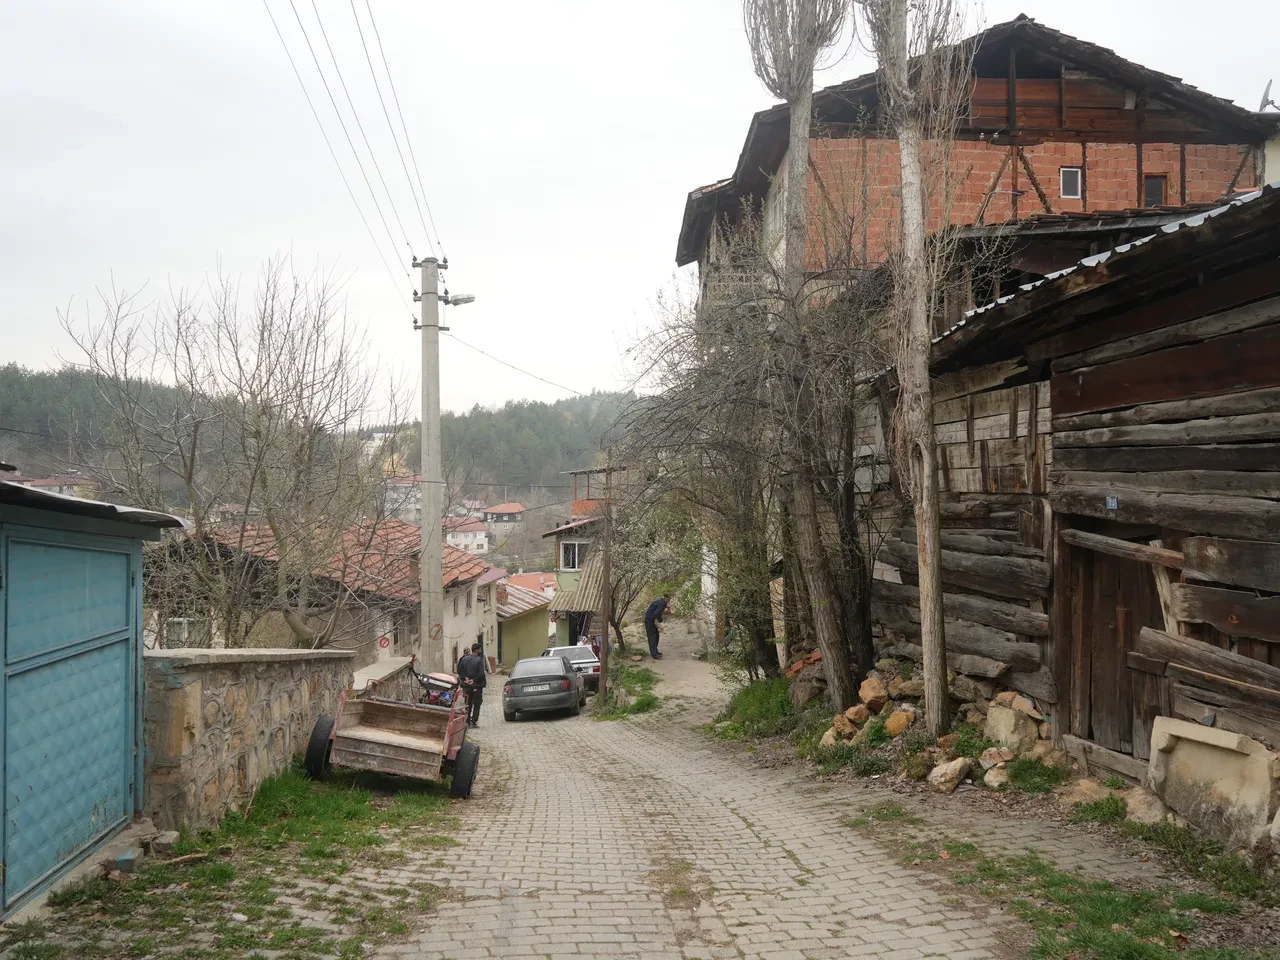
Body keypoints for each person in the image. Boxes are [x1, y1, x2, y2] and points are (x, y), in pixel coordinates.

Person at [456, 642, 487, 728]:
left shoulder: (464, 659)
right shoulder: (479, 660)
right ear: (477, 650)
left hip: (466, 686)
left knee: (467, 703)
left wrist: (465, 678)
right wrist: (473, 680)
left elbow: (459, 671)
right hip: (477, 685)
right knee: (477, 704)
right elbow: (481, 674)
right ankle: (474, 721)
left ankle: (467, 721)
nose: (481, 650)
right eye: (480, 649)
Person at [643, 594, 669, 659]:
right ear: (666, 598)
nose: (669, 601)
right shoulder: (662, 603)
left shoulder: (660, 601)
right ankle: (654, 654)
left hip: (651, 619)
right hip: (650, 620)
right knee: (652, 636)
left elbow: (657, 612)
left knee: (656, 635)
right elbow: (657, 613)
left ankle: (655, 652)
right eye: (669, 599)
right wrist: (661, 620)